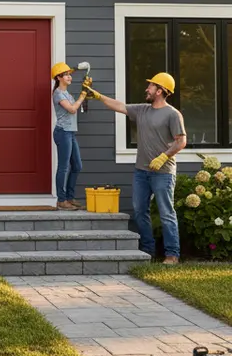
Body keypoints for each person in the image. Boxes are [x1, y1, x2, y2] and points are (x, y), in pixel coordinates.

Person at [84, 71, 187, 264]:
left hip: (163, 173)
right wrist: (98, 96)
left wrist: (164, 156)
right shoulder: (142, 110)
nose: (147, 89)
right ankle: (148, 250)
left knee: (166, 213)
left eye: (151, 86)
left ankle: (172, 254)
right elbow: (119, 106)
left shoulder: (172, 114)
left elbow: (181, 141)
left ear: (160, 90)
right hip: (142, 171)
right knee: (140, 210)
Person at [51, 62, 87, 210]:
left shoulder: (68, 94)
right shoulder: (58, 93)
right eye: (66, 74)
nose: (69, 76)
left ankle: (70, 198)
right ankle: (61, 200)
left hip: (70, 132)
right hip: (63, 132)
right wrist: (83, 95)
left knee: (77, 166)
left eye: (69, 74)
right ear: (59, 77)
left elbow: (76, 106)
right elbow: (72, 109)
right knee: (63, 167)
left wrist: (85, 92)